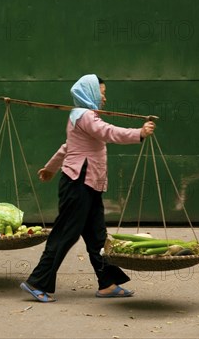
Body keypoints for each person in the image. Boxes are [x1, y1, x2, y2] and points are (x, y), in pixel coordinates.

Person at [20, 74, 155, 302]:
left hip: (89, 183)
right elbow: (108, 132)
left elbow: (67, 147)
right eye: (102, 92)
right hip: (78, 183)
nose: (104, 98)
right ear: (90, 93)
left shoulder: (82, 116)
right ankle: (37, 282)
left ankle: (107, 283)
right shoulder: (85, 116)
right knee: (66, 233)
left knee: (97, 236)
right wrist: (138, 133)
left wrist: (50, 168)